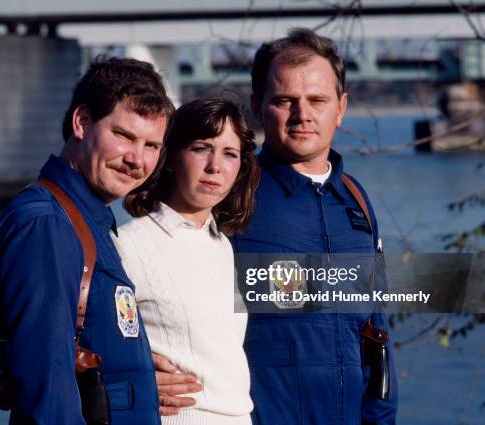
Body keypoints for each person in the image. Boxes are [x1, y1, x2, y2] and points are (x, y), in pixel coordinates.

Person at [159, 28, 398, 425]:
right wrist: (137, 361)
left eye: (317, 100)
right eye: (285, 101)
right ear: (258, 105)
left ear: (340, 108)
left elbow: (377, 336)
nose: (302, 115)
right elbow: (154, 285)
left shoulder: (356, 201)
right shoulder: (227, 191)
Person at [0, 57, 174, 424]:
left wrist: (133, 366)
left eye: (151, 146)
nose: (137, 159)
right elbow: (48, 386)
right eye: (123, 136)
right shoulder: (47, 225)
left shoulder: (85, 220)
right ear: (82, 123)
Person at [114, 97, 259, 425]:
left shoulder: (221, 245)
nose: (215, 166)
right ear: (170, 158)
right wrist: (132, 368)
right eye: (200, 148)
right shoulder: (129, 243)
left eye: (229, 154)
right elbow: (78, 338)